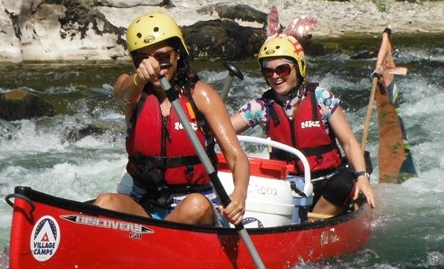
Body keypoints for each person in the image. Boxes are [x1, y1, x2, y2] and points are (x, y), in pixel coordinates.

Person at [94, 12, 249, 226]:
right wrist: (139, 78)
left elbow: (236, 157)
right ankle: (153, 238)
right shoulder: (132, 90)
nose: (155, 65)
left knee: (195, 205)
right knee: (105, 203)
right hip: (145, 203)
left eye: (162, 56)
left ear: (177, 54)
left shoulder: (201, 96)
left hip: (195, 209)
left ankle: (155, 239)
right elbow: (122, 94)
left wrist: (239, 194)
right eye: (143, 59)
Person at [230, 34, 375, 218]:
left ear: (299, 67)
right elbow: (223, 130)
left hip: (326, 185)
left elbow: (349, 142)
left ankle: (311, 223)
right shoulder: (261, 107)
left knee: (345, 183)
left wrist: (362, 176)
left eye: (282, 69)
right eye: (268, 72)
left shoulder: (322, 98)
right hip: (287, 187)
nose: (275, 76)